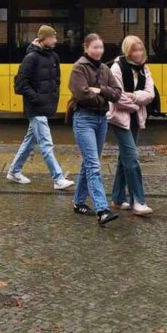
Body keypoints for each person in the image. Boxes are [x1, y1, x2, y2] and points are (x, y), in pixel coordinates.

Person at [6, 26, 73, 189]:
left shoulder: (54, 56)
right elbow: (20, 84)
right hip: (36, 108)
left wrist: (52, 97)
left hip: (45, 106)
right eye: (53, 37)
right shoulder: (31, 58)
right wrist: (36, 98)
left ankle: (14, 171)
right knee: (46, 143)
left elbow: (56, 80)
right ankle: (58, 178)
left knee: (30, 141)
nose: (56, 40)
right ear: (44, 39)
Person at [69, 34, 122, 224]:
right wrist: (103, 96)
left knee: (89, 163)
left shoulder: (105, 69)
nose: (99, 51)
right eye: (95, 47)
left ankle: (78, 202)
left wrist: (100, 90)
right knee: (93, 164)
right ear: (86, 48)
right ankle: (102, 209)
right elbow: (81, 95)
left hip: (101, 120)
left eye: (101, 47)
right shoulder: (79, 68)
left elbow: (117, 94)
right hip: (84, 119)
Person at [108, 35, 155, 215]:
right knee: (132, 158)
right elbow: (118, 97)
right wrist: (138, 103)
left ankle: (118, 199)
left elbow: (150, 94)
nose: (138, 53)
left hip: (135, 118)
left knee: (125, 158)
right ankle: (138, 201)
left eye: (140, 49)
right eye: (134, 50)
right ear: (127, 51)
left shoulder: (144, 69)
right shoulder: (117, 68)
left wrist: (134, 96)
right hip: (120, 119)